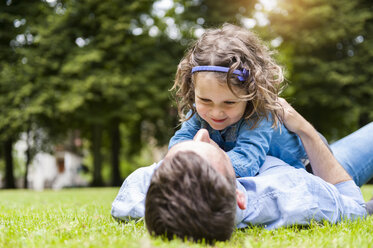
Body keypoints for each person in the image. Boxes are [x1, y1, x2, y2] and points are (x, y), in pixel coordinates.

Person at [111, 99, 373, 243]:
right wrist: (303, 128)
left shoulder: (144, 193)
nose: (203, 133)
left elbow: (126, 199)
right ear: (239, 195)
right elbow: (354, 204)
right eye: (212, 148)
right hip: (315, 165)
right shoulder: (290, 192)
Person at [169, 23, 309, 177]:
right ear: (192, 88)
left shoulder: (259, 116)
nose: (216, 112)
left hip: (304, 165)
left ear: (251, 94)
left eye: (229, 102)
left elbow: (245, 164)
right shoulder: (197, 112)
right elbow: (178, 144)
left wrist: (205, 153)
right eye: (205, 100)